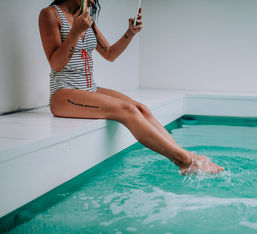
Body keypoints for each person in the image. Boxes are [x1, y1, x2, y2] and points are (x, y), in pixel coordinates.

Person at [38, 0, 224, 175]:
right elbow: (56, 64)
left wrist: (130, 33)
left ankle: (183, 154)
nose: (95, 0)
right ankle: (185, 161)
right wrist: (76, 32)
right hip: (63, 94)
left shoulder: (86, 19)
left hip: (89, 88)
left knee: (141, 108)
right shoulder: (50, 15)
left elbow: (110, 54)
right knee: (127, 111)